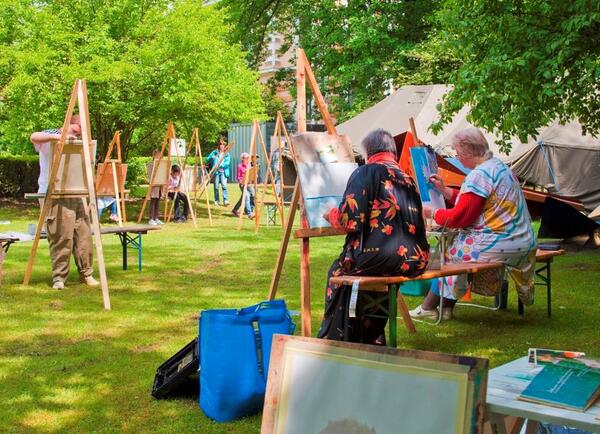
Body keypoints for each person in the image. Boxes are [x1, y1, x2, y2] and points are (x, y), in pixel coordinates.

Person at [409, 127, 537, 320]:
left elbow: (460, 218)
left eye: (457, 152)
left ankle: (429, 308)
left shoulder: (479, 175)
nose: (457, 156)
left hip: (501, 243)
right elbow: (474, 202)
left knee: (446, 255)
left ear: (469, 151)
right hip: (522, 240)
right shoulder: (499, 167)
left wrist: (432, 212)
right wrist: (443, 190)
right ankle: (446, 308)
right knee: (456, 248)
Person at [318, 129, 429, 345]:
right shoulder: (406, 177)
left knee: (338, 272)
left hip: (383, 256)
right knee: (368, 274)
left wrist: (329, 213)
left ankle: (338, 338)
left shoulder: (366, 172)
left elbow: (349, 220)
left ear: (369, 152)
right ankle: (372, 336)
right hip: (416, 259)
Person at [30, 116, 99, 290]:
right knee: (61, 235)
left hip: (76, 191)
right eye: (76, 130)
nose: (77, 134)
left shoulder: (79, 143)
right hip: (54, 192)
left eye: (80, 132)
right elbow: (34, 136)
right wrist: (59, 138)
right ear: (67, 124)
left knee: (83, 235)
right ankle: (59, 278)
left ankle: (87, 273)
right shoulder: (51, 134)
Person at [206, 139, 231, 206]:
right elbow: (207, 159)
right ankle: (216, 200)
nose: (222, 146)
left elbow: (227, 163)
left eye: (223, 145)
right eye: (221, 144)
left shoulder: (226, 153)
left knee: (224, 186)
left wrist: (220, 165)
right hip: (216, 172)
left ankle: (225, 200)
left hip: (223, 172)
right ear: (218, 145)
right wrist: (212, 157)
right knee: (216, 187)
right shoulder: (214, 152)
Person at [231, 153, 255, 219]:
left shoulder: (249, 165)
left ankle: (235, 210)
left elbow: (251, 174)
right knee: (246, 196)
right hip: (243, 184)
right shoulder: (240, 166)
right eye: (246, 158)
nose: (247, 159)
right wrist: (241, 182)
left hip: (249, 184)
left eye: (248, 158)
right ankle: (249, 213)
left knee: (253, 195)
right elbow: (238, 177)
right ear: (242, 159)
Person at [147, 149, 164, 226]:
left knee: (158, 202)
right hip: (154, 186)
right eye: (157, 156)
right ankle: (151, 219)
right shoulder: (151, 164)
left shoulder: (161, 165)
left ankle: (156, 218)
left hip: (159, 185)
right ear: (154, 156)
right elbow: (150, 175)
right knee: (153, 201)